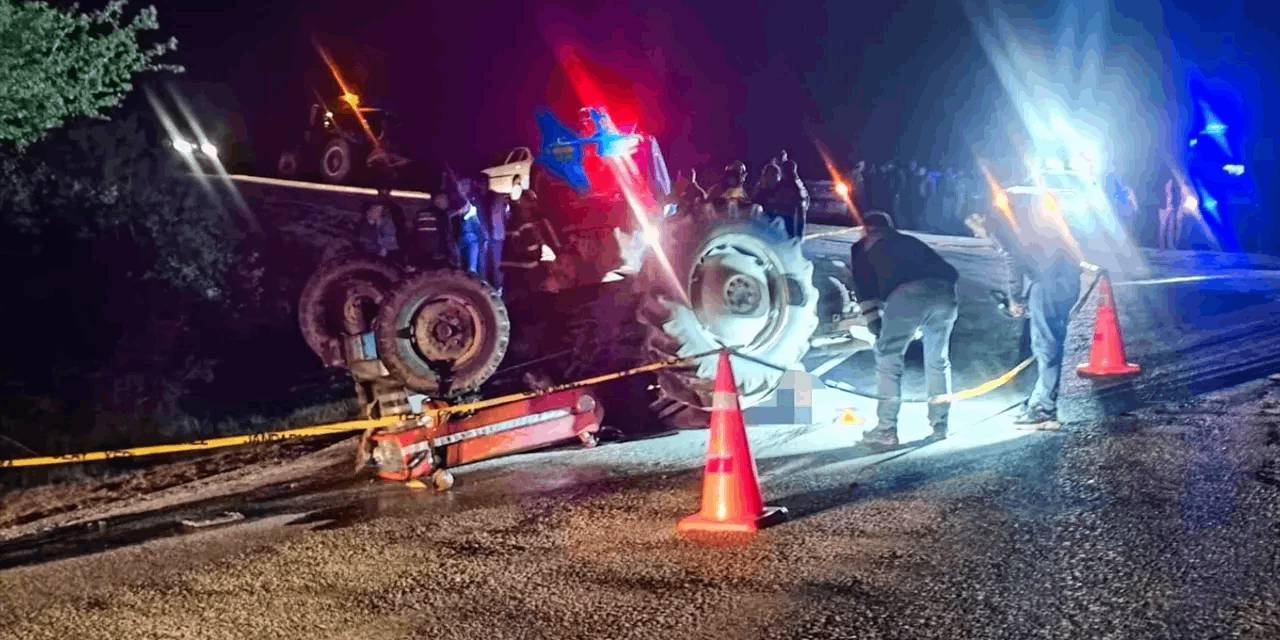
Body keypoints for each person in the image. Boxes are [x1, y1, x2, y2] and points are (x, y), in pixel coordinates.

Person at [852, 211, 960, 446]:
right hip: (945, 293)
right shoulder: (909, 241)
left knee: (889, 359)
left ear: (866, 229)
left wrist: (874, 324)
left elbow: (864, 288)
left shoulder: (863, 247)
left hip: (908, 295)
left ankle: (886, 429)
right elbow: (949, 271)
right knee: (938, 361)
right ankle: (941, 424)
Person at [978, 202, 1082, 427]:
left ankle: (1044, 407)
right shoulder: (1022, 224)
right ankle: (1038, 399)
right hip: (1061, 282)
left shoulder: (1001, 228)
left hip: (1051, 285)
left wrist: (1015, 297)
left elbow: (1013, 261)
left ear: (980, 217)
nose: (975, 233)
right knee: (1046, 343)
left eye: (973, 226)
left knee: (1046, 345)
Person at [479, 188, 509, 293]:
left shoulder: (496, 198)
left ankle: (498, 288)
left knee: (496, 264)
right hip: (487, 237)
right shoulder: (479, 200)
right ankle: (489, 288)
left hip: (497, 236)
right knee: (485, 263)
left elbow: (503, 217)